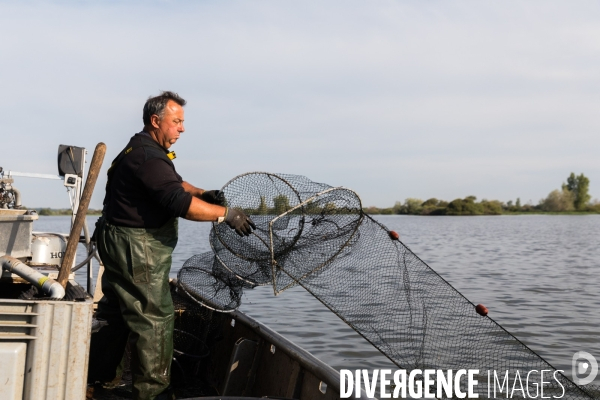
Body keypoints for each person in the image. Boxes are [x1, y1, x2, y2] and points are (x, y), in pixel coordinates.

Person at [87, 91, 255, 400]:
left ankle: (97, 379)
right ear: (156, 121)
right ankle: (153, 394)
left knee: (117, 313)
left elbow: (175, 183)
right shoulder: (148, 156)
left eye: (182, 122)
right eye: (176, 122)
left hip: (118, 242)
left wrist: (204, 193)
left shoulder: (141, 149)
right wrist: (225, 215)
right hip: (136, 248)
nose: (182, 129)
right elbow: (178, 202)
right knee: (154, 318)